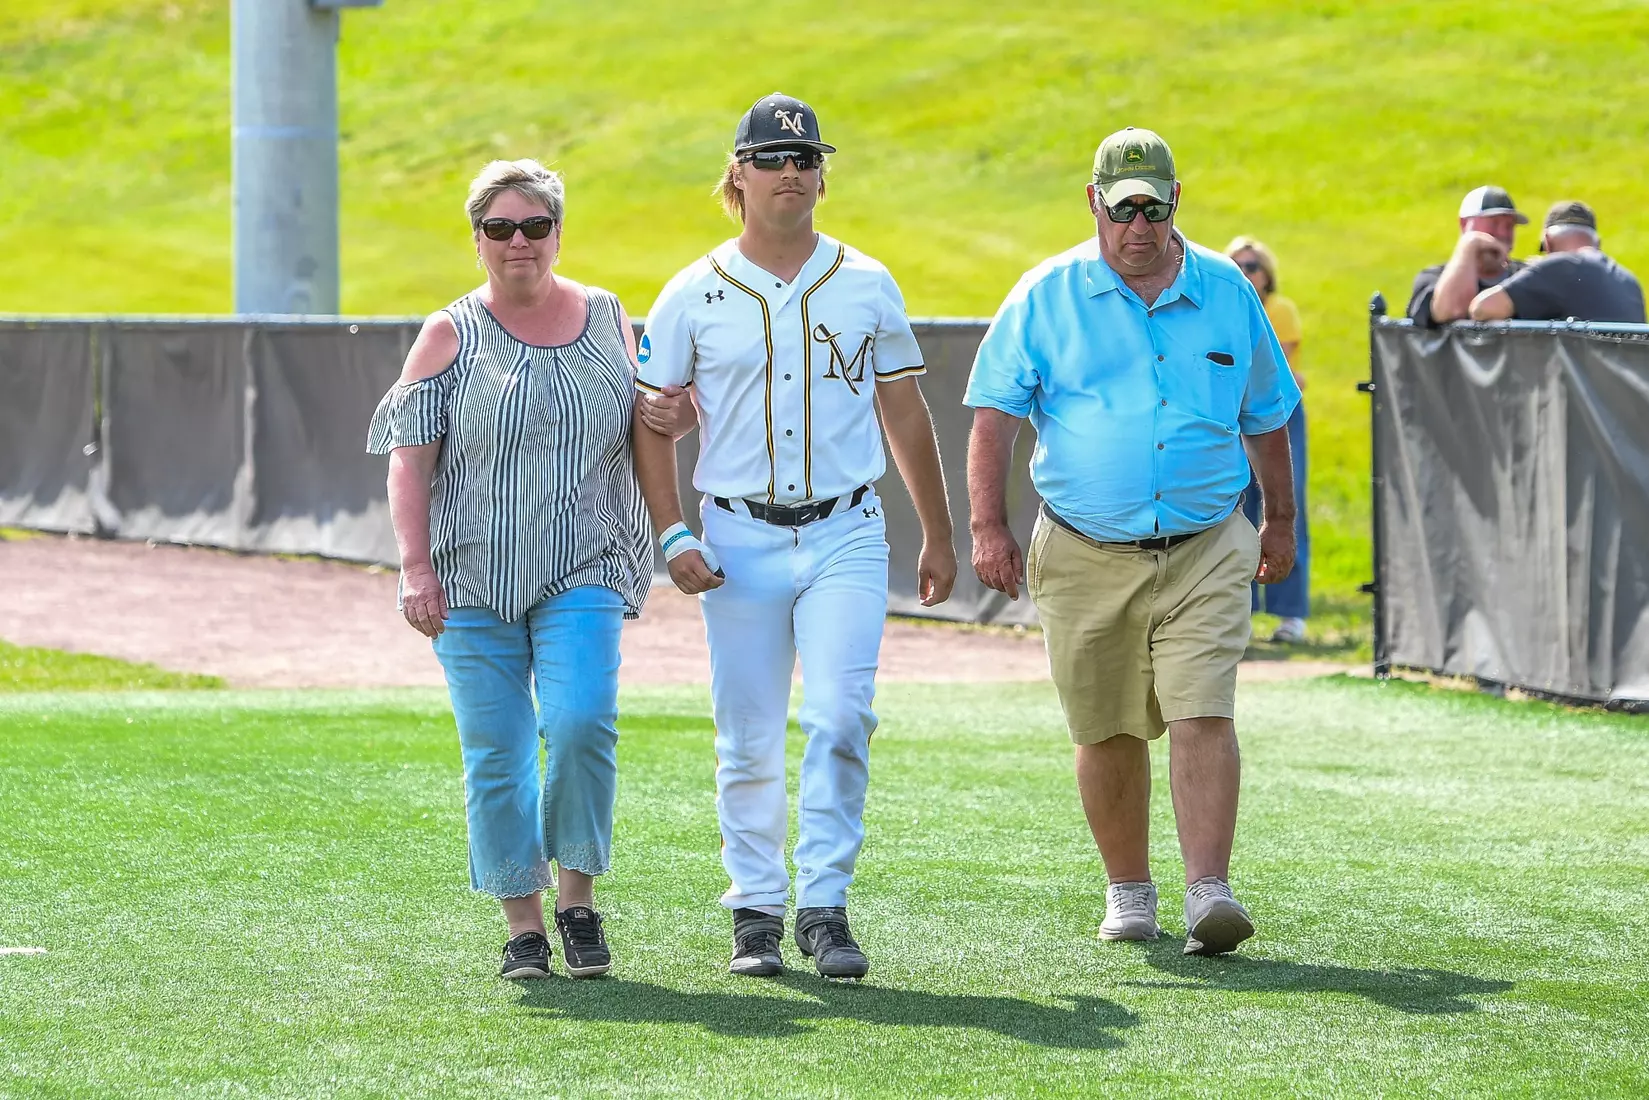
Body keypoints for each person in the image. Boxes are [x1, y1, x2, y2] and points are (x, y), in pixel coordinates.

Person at [630, 93, 957, 980]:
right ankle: (754, 910)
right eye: (770, 159)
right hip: (734, 537)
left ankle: (824, 905)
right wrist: (670, 535)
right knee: (746, 734)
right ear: (735, 175)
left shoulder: (865, 280)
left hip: (846, 528)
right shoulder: (692, 288)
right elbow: (651, 421)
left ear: (822, 172)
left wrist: (937, 530)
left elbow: (904, 408)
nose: (789, 173)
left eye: (804, 159)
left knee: (841, 715)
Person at [964, 126, 1300, 956]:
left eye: (1152, 208)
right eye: (1122, 211)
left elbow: (1266, 416)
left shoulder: (1227, 291)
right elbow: (993, 419)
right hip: (1083, 547)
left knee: (1201, 710)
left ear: (1175, 202)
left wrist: (1282, 520)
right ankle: (1129, 891)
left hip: (1206, 543)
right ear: (1093, 205)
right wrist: (986, 526)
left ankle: (1208, 892)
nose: (1138, 228)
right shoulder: (1044, 295)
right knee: (1104, 727)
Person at [366, 159, 651, 982]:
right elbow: (406, 463)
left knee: (580, 722)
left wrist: (676, 411)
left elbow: (654, 418)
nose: (518, 242)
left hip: (586, 560)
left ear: (558, 233)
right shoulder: (448, 333)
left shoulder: (607, 316)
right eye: (500, 228)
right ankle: (522, 924)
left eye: (534, 226)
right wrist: (415, 569)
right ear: (477, 240)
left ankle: (578, 902)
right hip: (471, 576)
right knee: (497, 751)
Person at [1226, 236, 1310, 644]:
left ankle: (1290, 613)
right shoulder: (1220, 309)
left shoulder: (1281, 310)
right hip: (1230, 413)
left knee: (1285, 506)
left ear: (1267, 274)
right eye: (1237, 264)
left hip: (1278, 412)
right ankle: (1236, 608)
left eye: (1253, 266)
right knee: (1235, 507)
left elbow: (1278, 372)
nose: (1245, 272)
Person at [1468, 201, 1646, 324]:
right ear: (1597, 242)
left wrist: (1535, 272)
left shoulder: (1559, 269)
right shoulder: (1629, 281)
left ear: (1548, 242)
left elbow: (1481, 309)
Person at [1406, 185, 1529, 326]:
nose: (1502, 234)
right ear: (1464, 224)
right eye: (1494, 223)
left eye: (1509, 226)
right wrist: (1470, 243)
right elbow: (1452, 311)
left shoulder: (1523, 276)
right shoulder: (1433, 278)